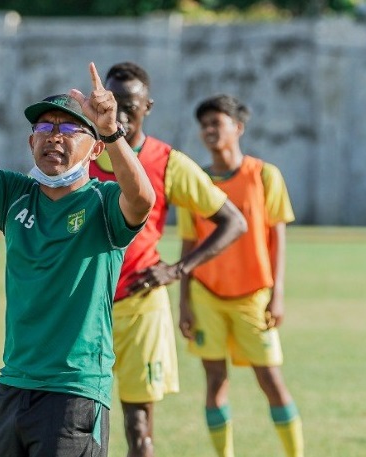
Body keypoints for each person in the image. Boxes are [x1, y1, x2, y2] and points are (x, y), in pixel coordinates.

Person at [0, 30, 156, 457]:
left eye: (69, 129)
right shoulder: (14, 195)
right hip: (13, 386)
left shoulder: (104, 203)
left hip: (74, 392)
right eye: (44, 126)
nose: (53, 136)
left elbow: (142, 199)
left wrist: (113, 131)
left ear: (95, 149)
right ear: (31, 141)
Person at [89, 62, 247, 457]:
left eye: (132, 103)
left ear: (149, 106)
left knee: (138, 426)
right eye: (114, 102)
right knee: (78, 421)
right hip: (86, 308)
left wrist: (177, 269)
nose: (122, 112)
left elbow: (232, 221)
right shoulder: (81, 151)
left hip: (141, 307)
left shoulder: (166, 161)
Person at [177, 94, 304, 457]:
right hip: (207, 294)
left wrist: (277, 293)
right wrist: (184, 302)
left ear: (238, 128)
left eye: (217, 123)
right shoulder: (197, 181)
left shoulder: (265, 175)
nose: (209, 130)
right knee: (215, 380)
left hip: (254, 295)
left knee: (270, 379)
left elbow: (277, 238)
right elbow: (189, 245)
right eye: (204, 125)